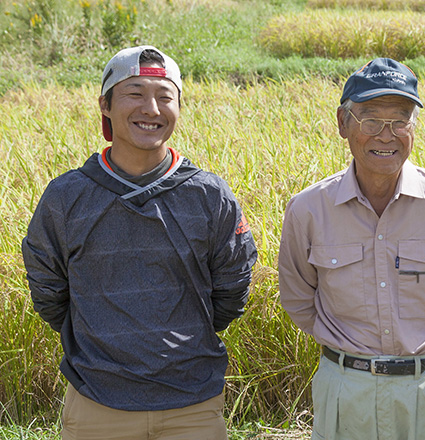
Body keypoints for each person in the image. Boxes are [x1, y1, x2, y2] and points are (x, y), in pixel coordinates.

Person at [21, 45, 258, 440]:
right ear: (106, 105)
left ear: (179, 108)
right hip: (97, 404)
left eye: (164, 96)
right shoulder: (66, 197)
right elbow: (48, 291)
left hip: (193, 407)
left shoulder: (209, 194)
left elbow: (233, 288)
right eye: (134, 93)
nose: (151, 108)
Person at [278, 57, 425, 440]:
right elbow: (297, 298)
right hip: (346, 392)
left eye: (400, 120)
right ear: (343, 123)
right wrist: (353, 358)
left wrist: (422, 359)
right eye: (371, 119)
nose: (386, 135)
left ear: (414, 126)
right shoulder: (309, 209)